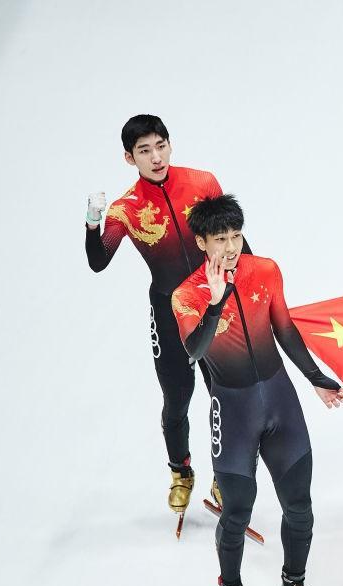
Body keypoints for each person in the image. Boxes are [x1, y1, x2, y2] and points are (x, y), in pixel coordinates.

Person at [171, 194, 343, 586]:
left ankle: (294, 583)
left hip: (280, 401)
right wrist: (215, 302)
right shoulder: (187, 295)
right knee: (237, 512)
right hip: (234, 412)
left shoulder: (265, 270)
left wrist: (316, 378)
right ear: (201, 242)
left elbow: (284, 328)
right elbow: (194, 350)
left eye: (236, 235)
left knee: (300, 506)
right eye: (220, 239)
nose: (231, 247)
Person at [84, 114, 249, 515]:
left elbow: (237, 243)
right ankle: (181, 471)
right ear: (130, 158)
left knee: (225, 393)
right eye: (144, 151)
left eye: (161, 146)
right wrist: (92, 222)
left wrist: (252, 292)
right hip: (169, 312)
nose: (156, 157)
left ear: (170, 144)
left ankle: (225, 474)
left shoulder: (202, 183)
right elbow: (98, 260)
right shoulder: (126, 209)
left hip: (213, 302)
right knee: (177, 399)